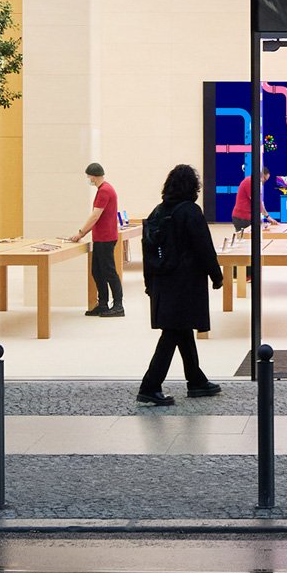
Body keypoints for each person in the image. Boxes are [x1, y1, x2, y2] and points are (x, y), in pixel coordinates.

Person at [137, 164, 223, 406]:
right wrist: (216, 275)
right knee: (173, 332)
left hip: (161, 282)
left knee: (181, 329)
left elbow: (147, 250)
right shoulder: (190, 212)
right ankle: (150, 385)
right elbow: (204, 247)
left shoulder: (158, 212)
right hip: (184, 283)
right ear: (193, 187)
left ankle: (196, 380)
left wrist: (148, 283)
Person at [74, 163, 125, 318]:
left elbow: (95, 216)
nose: (88, 179)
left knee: (109, 272)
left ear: (93, 176)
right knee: (97, 271)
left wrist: (80, 233)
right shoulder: (104, 189)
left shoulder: (104, 191)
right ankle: (102, 303)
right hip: (101, 238)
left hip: (105, 238)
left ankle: (118, 305)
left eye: (88, 176)